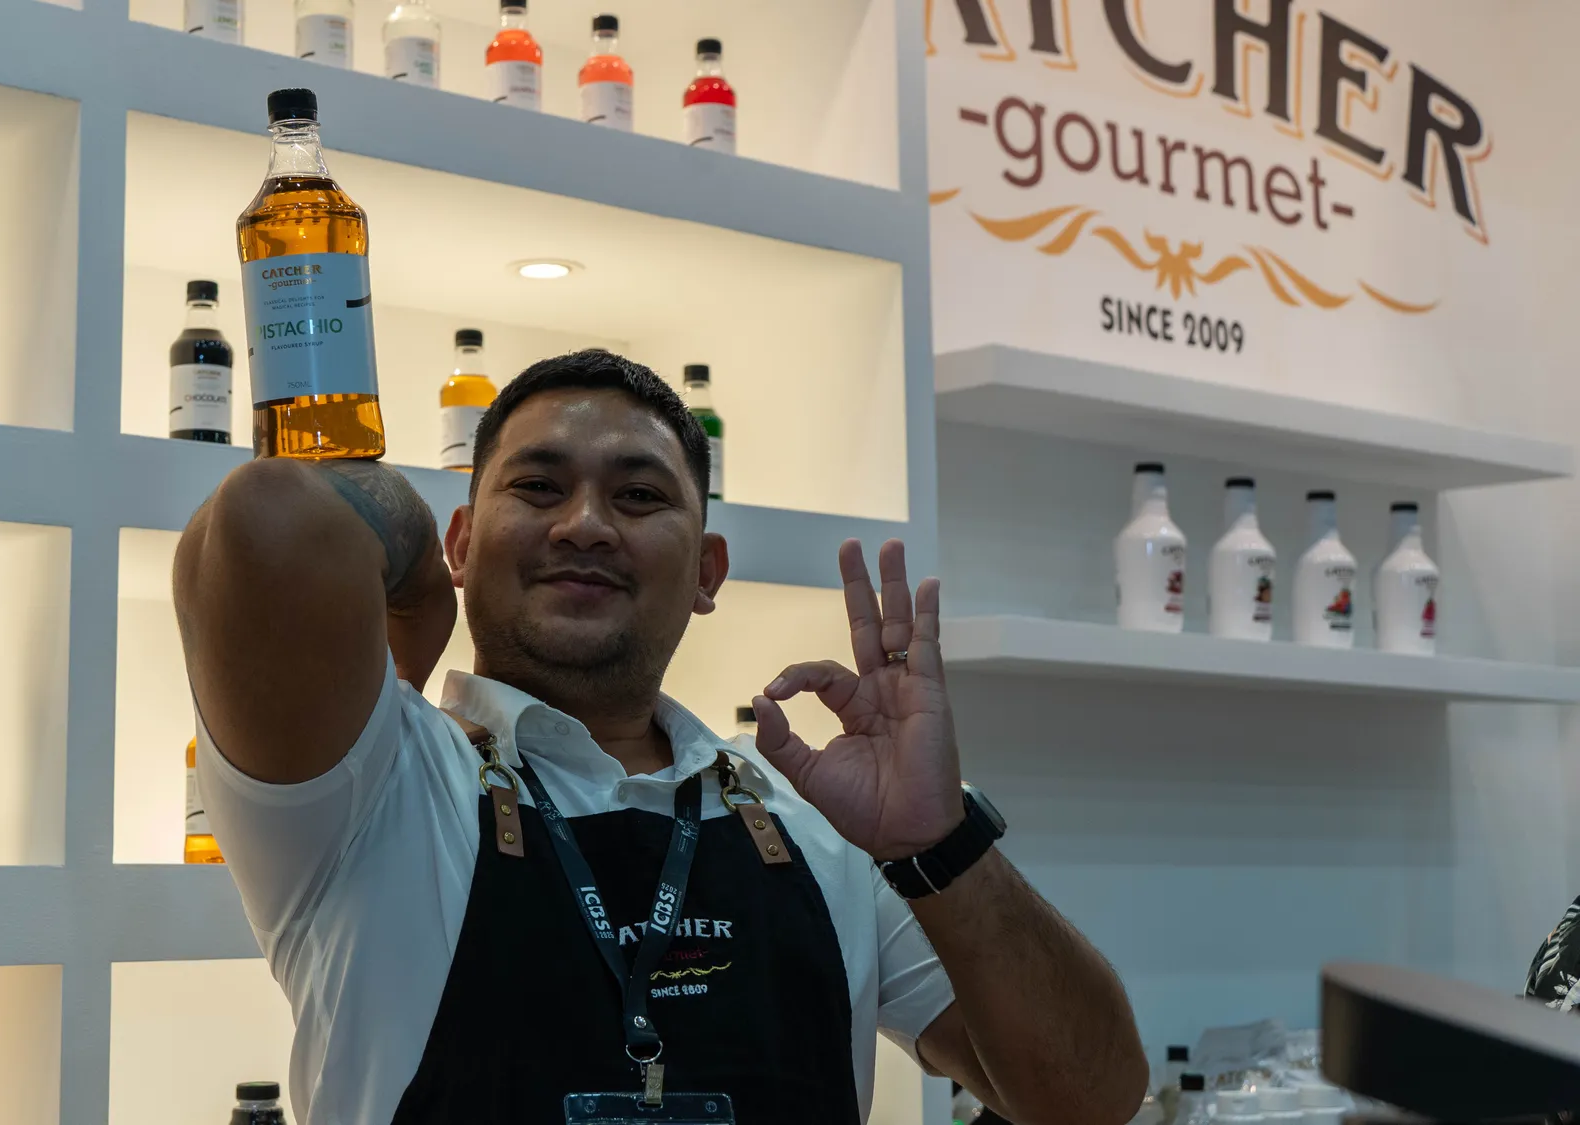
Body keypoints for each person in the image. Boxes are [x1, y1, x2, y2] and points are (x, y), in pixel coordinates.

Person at [175, 349, 1148, 1124]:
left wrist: (940, 846)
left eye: (639, 496)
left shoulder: (819, 825)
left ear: (707, 572)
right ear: (463, 542)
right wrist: (415, 587)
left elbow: (1089, 1098)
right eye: (538, 487)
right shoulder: (379, 784)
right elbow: (269, 515)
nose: (585, 525)